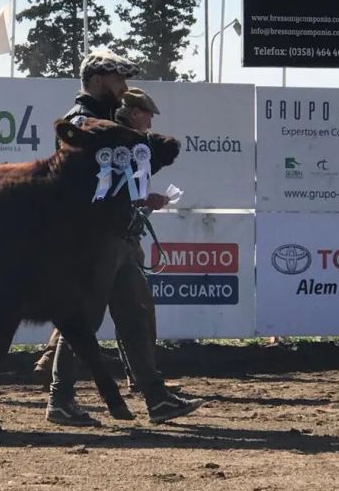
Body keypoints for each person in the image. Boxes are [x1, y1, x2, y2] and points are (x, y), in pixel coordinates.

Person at [42, 50, 202, 427]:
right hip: (94, 240)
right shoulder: (80, 123)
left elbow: (114, 181)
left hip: (118, 237)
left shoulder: (99, 122)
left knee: (135, 316)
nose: (124, 89)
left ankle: (156, 398)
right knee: (85, 320)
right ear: (97, 80)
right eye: (118, 81)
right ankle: (60, 400)